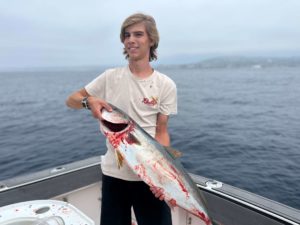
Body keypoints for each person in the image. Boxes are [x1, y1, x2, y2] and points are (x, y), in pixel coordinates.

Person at [66, 13, 177, 225]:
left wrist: (160, 175)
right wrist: (88, 101)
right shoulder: (110, 77)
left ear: (151, 40)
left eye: (138, 34)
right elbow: (72, 99)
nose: (131, 40)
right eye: (127, 35)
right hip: (113, 174)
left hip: (148, 177)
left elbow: (161, 131)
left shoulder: (165, 85)